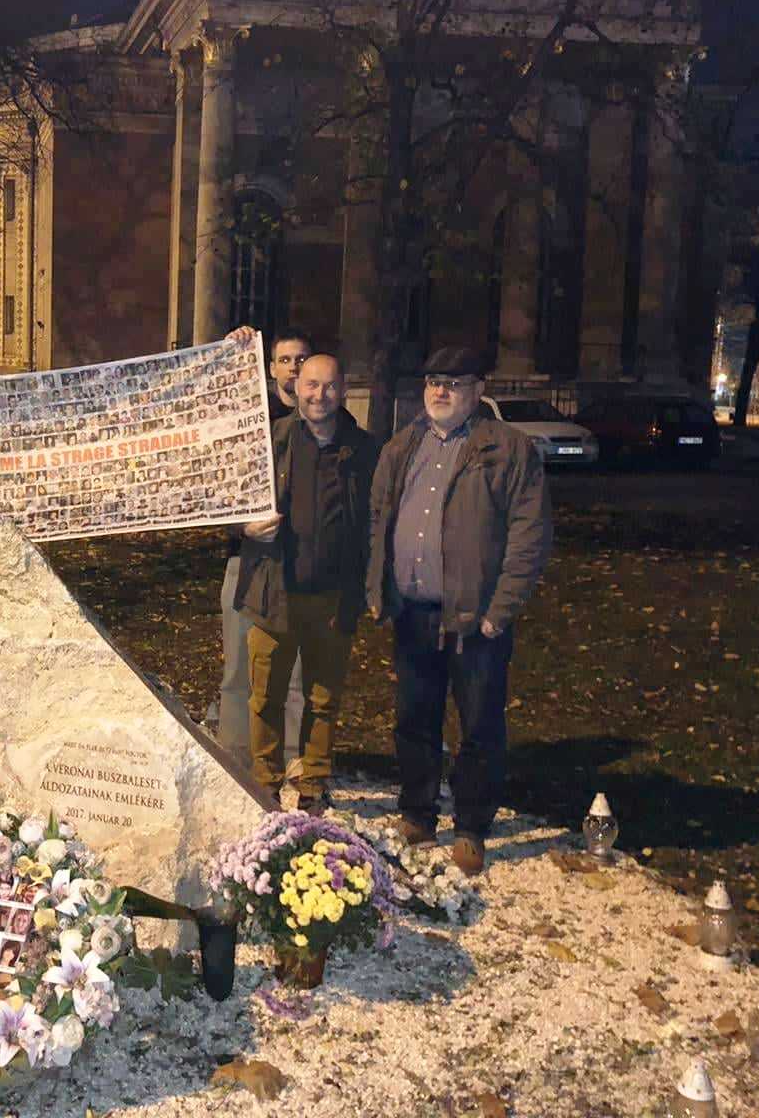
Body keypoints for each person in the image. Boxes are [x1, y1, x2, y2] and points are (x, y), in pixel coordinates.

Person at [367, 346, 552, 876]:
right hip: (414, 612)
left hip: (476, 619)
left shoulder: (507, 450)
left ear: (477, 390)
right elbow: (378, 519)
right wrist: (378, 587)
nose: (440, 391)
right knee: (414, 718)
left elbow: (529, 535)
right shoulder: (403, 445)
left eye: (453, 382)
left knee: (479, 725)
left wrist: (501, 609)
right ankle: (418, 813)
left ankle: (471, 825)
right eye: (433, 381)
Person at [235, 353, 379, 811]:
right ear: (297, 386)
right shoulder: (270, 440)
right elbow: (230, 497)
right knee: (266, 697)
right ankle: (266, 782)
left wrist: (372, 585)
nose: (320, 395)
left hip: (334, 598)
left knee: (323, 698)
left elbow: (378, 520)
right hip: (274, 591)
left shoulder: (364, 450)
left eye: (330, 386)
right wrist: (243, 527)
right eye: (312, 385)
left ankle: (313, 784)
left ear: (343, 389)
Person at [216, 327, 312, 766]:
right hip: (248, 561)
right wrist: (231, 352)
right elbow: (218, 485)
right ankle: (235, 757)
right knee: (238, 669)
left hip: (301, 567)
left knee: (295, 674)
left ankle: (292, 760)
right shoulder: (249, 415)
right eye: (284, 360)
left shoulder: (327, 422)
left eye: (301, 359)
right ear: (270, 368)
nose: (293, 368)